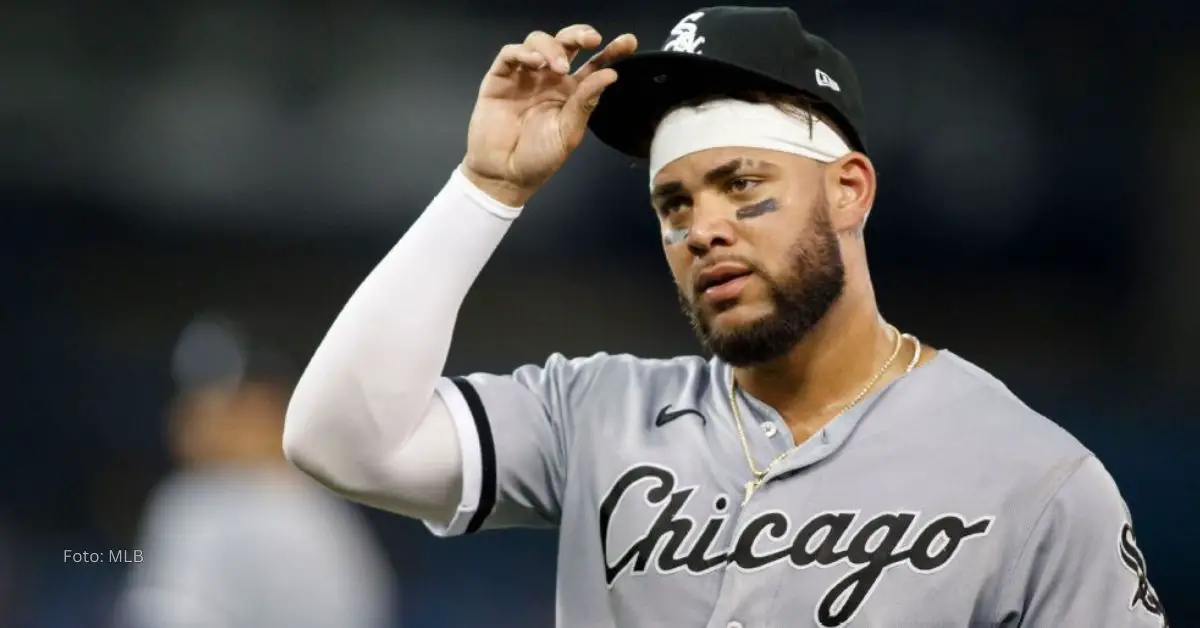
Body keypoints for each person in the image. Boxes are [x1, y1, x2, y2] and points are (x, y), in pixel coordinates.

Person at [283, 7, 1168, 627]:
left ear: (849, 191)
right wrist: (487, 190)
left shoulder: (1037, 477)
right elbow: (338, 441)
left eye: (743, 186)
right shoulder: (593, 411)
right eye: (673, 203)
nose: (702, 229)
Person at [115, 316, 397, 628]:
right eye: (194, 400)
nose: (198, 417)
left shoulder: (202, 503)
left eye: (226, 403)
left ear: (271, 404)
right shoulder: (327, 513)